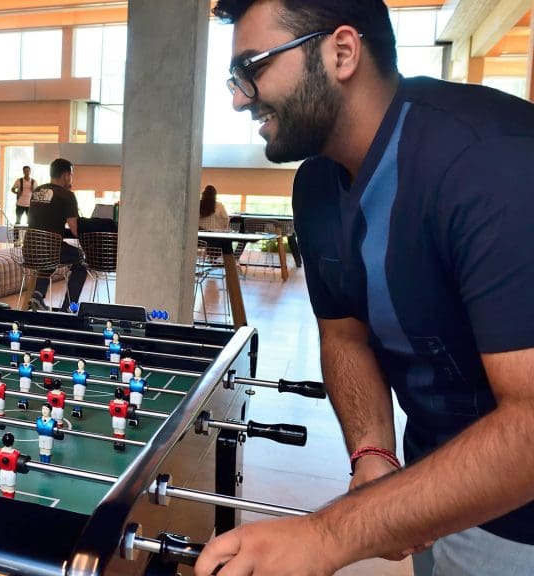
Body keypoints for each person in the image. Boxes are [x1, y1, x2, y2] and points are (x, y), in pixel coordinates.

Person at [195, 2, 534, 575]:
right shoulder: (317, 185)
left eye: (252, 67)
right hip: (432, 488)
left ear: (343, 52)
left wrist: (327, 535)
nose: (239, 97)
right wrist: (374, 452)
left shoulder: (489, 161)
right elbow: (344, 335)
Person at [27, 158, 88, 311]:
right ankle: (68, 307)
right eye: (71, 175)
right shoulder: (66, 195)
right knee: (81, 259)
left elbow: (43, 220)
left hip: (29, 248)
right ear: (66, 175)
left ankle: (38, 294)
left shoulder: (37, 191)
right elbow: (75, 228)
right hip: (50, 250)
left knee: (49, 257)